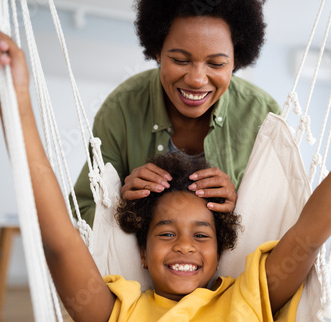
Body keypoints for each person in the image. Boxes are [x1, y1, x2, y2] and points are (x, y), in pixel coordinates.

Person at [0, 16, 331, 322]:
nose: (184, 245)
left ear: (223, 248)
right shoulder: (121, 312)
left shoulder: (248, 294)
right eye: (166, 233)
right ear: (140, 254)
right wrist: (16, 106)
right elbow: (62, 238)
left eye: (201, 234)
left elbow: (313, 228)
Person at [72, 0, 282, 226]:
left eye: (217, 63)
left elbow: (279, 216)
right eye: (180, 60)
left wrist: (239, 208)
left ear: (236, 61)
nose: (197, 79)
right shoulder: (121, 109)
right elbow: (83, 208)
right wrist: (123, 205)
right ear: (157, 52)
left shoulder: (263, 115)